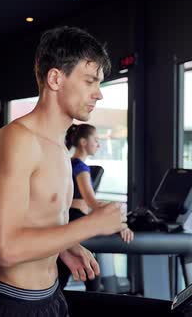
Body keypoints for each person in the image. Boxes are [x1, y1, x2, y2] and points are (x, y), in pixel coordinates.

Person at [0, 26, 127, 317]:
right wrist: (92, 224)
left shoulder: (57, 146)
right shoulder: (17, 141)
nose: (99, 95)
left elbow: (38, 217)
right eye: (90, 81)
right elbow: (6, 250)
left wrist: (68, 245)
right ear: (56, 78)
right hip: (13, 305)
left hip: (51, 298)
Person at [57, 123, 134, 291]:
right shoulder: (80, 167)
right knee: (92, 277)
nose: (98, 144)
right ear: (84, 142)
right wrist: (120, 223)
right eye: (96, 140)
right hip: (76, 217)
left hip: (67, 219)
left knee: (63, 276)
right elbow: (92, 202)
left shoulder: (68, 163)